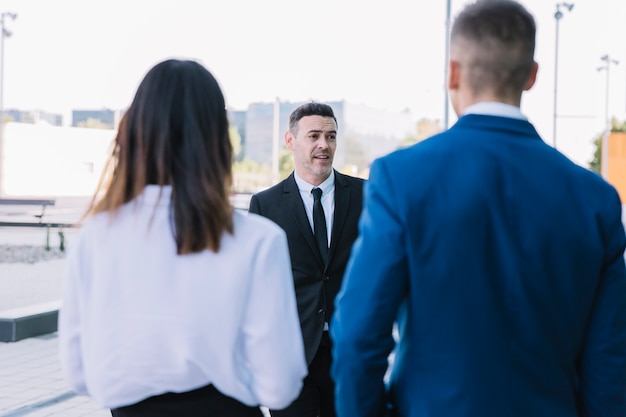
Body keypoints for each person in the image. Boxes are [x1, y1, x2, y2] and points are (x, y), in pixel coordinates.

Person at [330, 1, 626, 416]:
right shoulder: (595, 199)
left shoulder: (402, 179)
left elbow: (359, 336)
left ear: (453, 72)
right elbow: (609, 363)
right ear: (532, 76)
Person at [58, 59, 307, 417]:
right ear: (219, 139)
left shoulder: (95, 236)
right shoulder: (257, 240)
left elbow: (79, 373)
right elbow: (280, 386)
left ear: (135, 132)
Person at [248, 102, 364, 417]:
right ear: (290, 140)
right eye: (313, 136)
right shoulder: (265, 205)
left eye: (331, 136)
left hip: (350, 352)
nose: (323, 145)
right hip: (291, 356)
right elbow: (259, 287)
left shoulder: (366, 196)